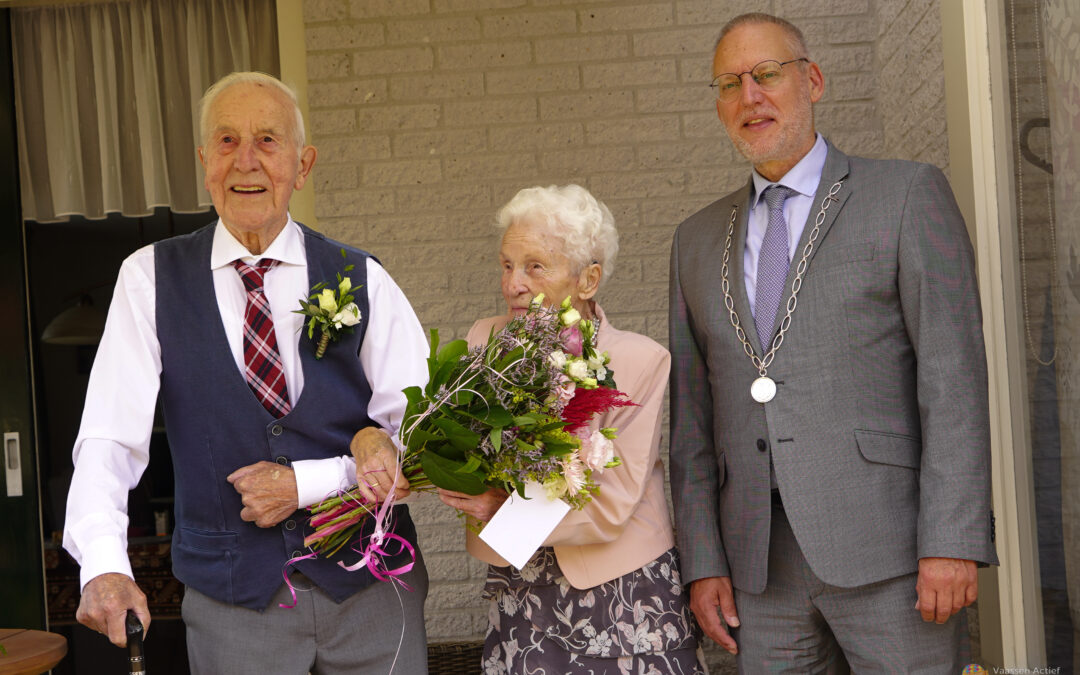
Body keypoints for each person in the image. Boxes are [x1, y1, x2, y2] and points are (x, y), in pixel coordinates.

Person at [63, 72, 429, 673]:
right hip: (234, 607)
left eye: (268, 140)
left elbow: (423, 444)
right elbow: (108, 436)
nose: (247, 161)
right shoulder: (150, 279)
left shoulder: (363, 277)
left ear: (302, 164)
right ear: (204, 161)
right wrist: (104, 563)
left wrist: (306, 484)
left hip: (372, 593)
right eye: (227, 141)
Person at [668, 13, 998, 672]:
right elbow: (691, 420)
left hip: (893, 555)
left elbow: (952, 379)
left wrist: (953, 538)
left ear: (812, 80)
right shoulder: (694, 240)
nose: (750, 96)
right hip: (758, 571)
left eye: (766, 74)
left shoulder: (906, 196)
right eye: (730, 83)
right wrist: (702, 559)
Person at [438, 185, 704, 674]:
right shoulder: (485, 340)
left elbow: (614, 501)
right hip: (521, 588)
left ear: (588, 280)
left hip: (622, 589)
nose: (512, 284)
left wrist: (505, 509)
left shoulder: (640, 360)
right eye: (506, 264)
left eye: (535, 266)